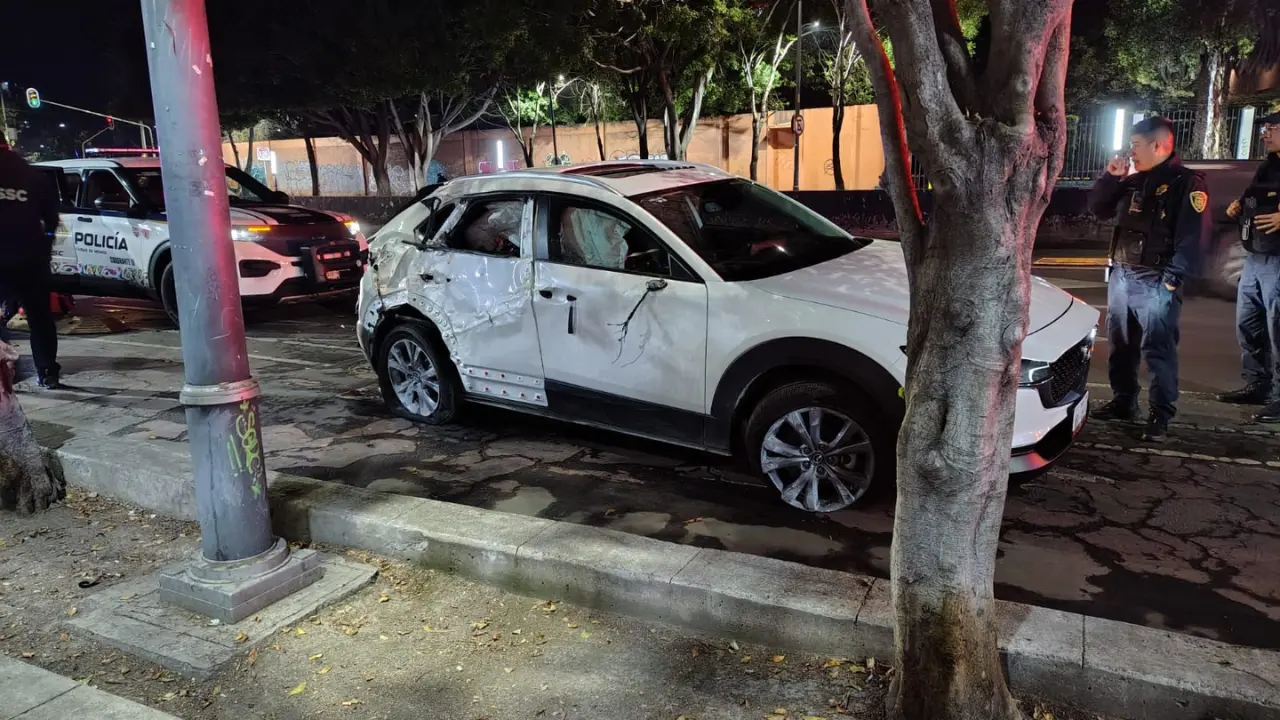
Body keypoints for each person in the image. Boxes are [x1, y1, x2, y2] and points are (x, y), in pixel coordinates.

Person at [1088, 116, 1212, 441]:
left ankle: (1160, 414)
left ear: (1158, 145)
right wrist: (1110, 179)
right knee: (1121, 346)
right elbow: (1099, 208)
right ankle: (1123, 401)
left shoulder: (1186, 183)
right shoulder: (1132, 180)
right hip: (1123, 274)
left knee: (1158, 349)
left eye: (1135, 146)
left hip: (1156, 278)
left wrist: (1172, 280)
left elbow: (1193, 237)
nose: (1130, 153)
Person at [1219, 112, 1280, 421]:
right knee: (1249, 324)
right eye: (1264, 129)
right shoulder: (1269, 165)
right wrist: (1239, 205)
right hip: (1256, 255)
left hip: (1278, 260)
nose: (1264, 134)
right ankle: (1258, 384)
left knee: (1278, 328)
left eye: (1271, 129)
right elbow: (1254, 195)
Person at [0, 137, 62, 388]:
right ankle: (47, 371)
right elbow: (52, 220)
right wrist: (43, 247)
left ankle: (5, 371)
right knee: (40, 318)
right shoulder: (34, 177)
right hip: (31, 260)